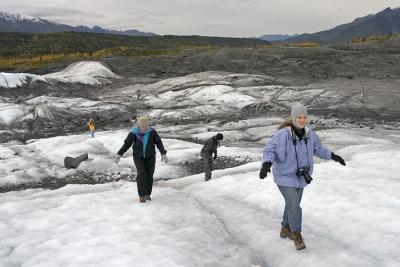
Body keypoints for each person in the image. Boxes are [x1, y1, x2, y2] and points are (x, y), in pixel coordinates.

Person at [259, 103, 346, 250]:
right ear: (293, 118)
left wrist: (334, 156)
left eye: (304, 117)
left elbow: (319, 149)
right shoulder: (283, 134)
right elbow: (270, 150)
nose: (302, 120)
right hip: (285, 176)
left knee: (291, 205)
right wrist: (266, 164)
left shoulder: (310, 134)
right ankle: (296, 233)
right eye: (299, 117)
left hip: (301, 177)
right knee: (294, 205)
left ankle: (285, 228)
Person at [114, 115, 168, 203]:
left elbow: (159, 143)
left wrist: (163, 153)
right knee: (142, 173)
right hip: (138, 157)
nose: (144, 128)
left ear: (148, 125)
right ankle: (141, 195)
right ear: (139, 125)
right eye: (142, 126)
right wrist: (119, 153)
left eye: (146, 126)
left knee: (149, 174)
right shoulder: (134, 133)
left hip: (150, 156)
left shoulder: (152, 132)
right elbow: (127, 144)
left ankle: (147, 194)